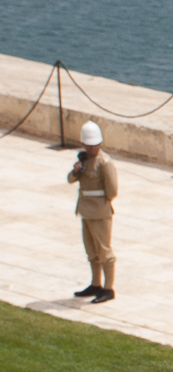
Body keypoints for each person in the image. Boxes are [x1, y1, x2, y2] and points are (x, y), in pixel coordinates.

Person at [66, 122, 118, 303]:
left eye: (94, 145)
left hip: (99, 212)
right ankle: (96, 284)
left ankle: (108, 288)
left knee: (104, 251)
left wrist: (101, 204)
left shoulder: (104, 163)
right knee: (91, 251)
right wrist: (76, 170)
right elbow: (70, 179)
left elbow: (112, 190)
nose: (91, 148)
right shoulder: (84, 161)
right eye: (88, 145)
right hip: (85, 210)